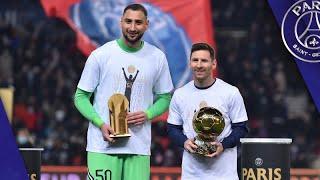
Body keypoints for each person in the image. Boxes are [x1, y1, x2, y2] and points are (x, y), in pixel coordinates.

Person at [74, 3, 173, 180]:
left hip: (138, 148)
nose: (132, 27)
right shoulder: (101, 55)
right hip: (102, 147)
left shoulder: (157, 57)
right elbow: (80, 97)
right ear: (120, 22)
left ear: (146, 24)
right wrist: (100, 123)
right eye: (128, 21)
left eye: (138, 22)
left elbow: (165, 97)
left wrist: (148, 114)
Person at [167, 42, 248, 180]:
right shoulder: (180, 94)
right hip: (191, 175)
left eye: (204, 60)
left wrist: (223, 145)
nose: (199, 65)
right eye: (195, 60)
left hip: (224, 175)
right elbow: (172, 128)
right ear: (190, 63)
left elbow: (241, 129)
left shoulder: (230, 92)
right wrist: (184, 142)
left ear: (213, 64)